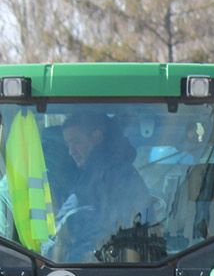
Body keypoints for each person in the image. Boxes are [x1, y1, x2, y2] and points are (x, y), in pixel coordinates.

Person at [51, 110, 156, 261]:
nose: (71, 151)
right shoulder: (90, 174)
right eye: (68, 144)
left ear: (96, 136)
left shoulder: (116, 175)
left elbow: (131, 232)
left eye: (76, 142)